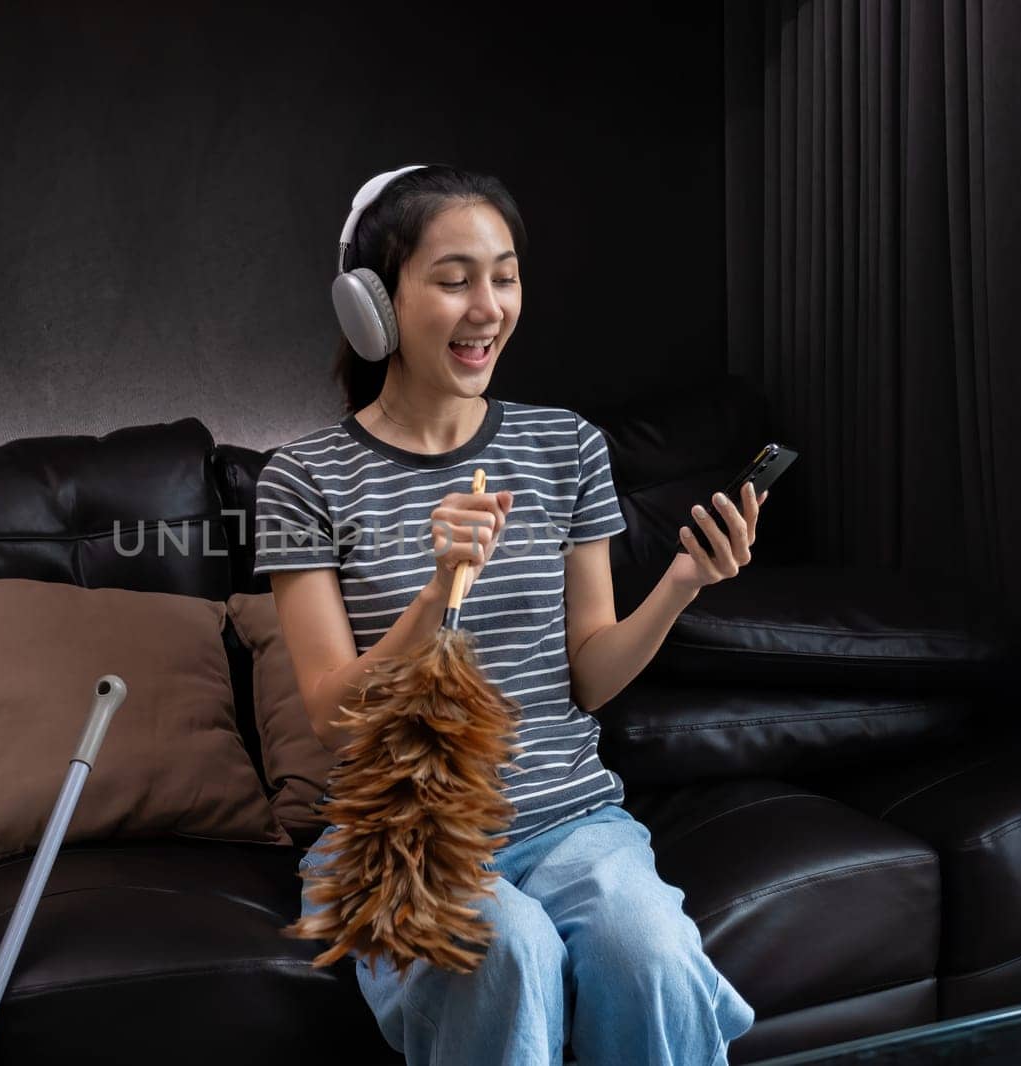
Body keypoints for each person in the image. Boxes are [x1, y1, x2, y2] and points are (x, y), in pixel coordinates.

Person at [251, 164, 766, 1066]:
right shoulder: (304, 479)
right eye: (453, 281)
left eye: (505, 274)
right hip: (406, 835)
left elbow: (591, 673)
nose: (487, 306)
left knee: (650, 953)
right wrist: (434, 592)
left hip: (571, 821)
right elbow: (335, 718)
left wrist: (682, 581)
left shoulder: (565, 444)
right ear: (373, 304)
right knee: (507, 949)